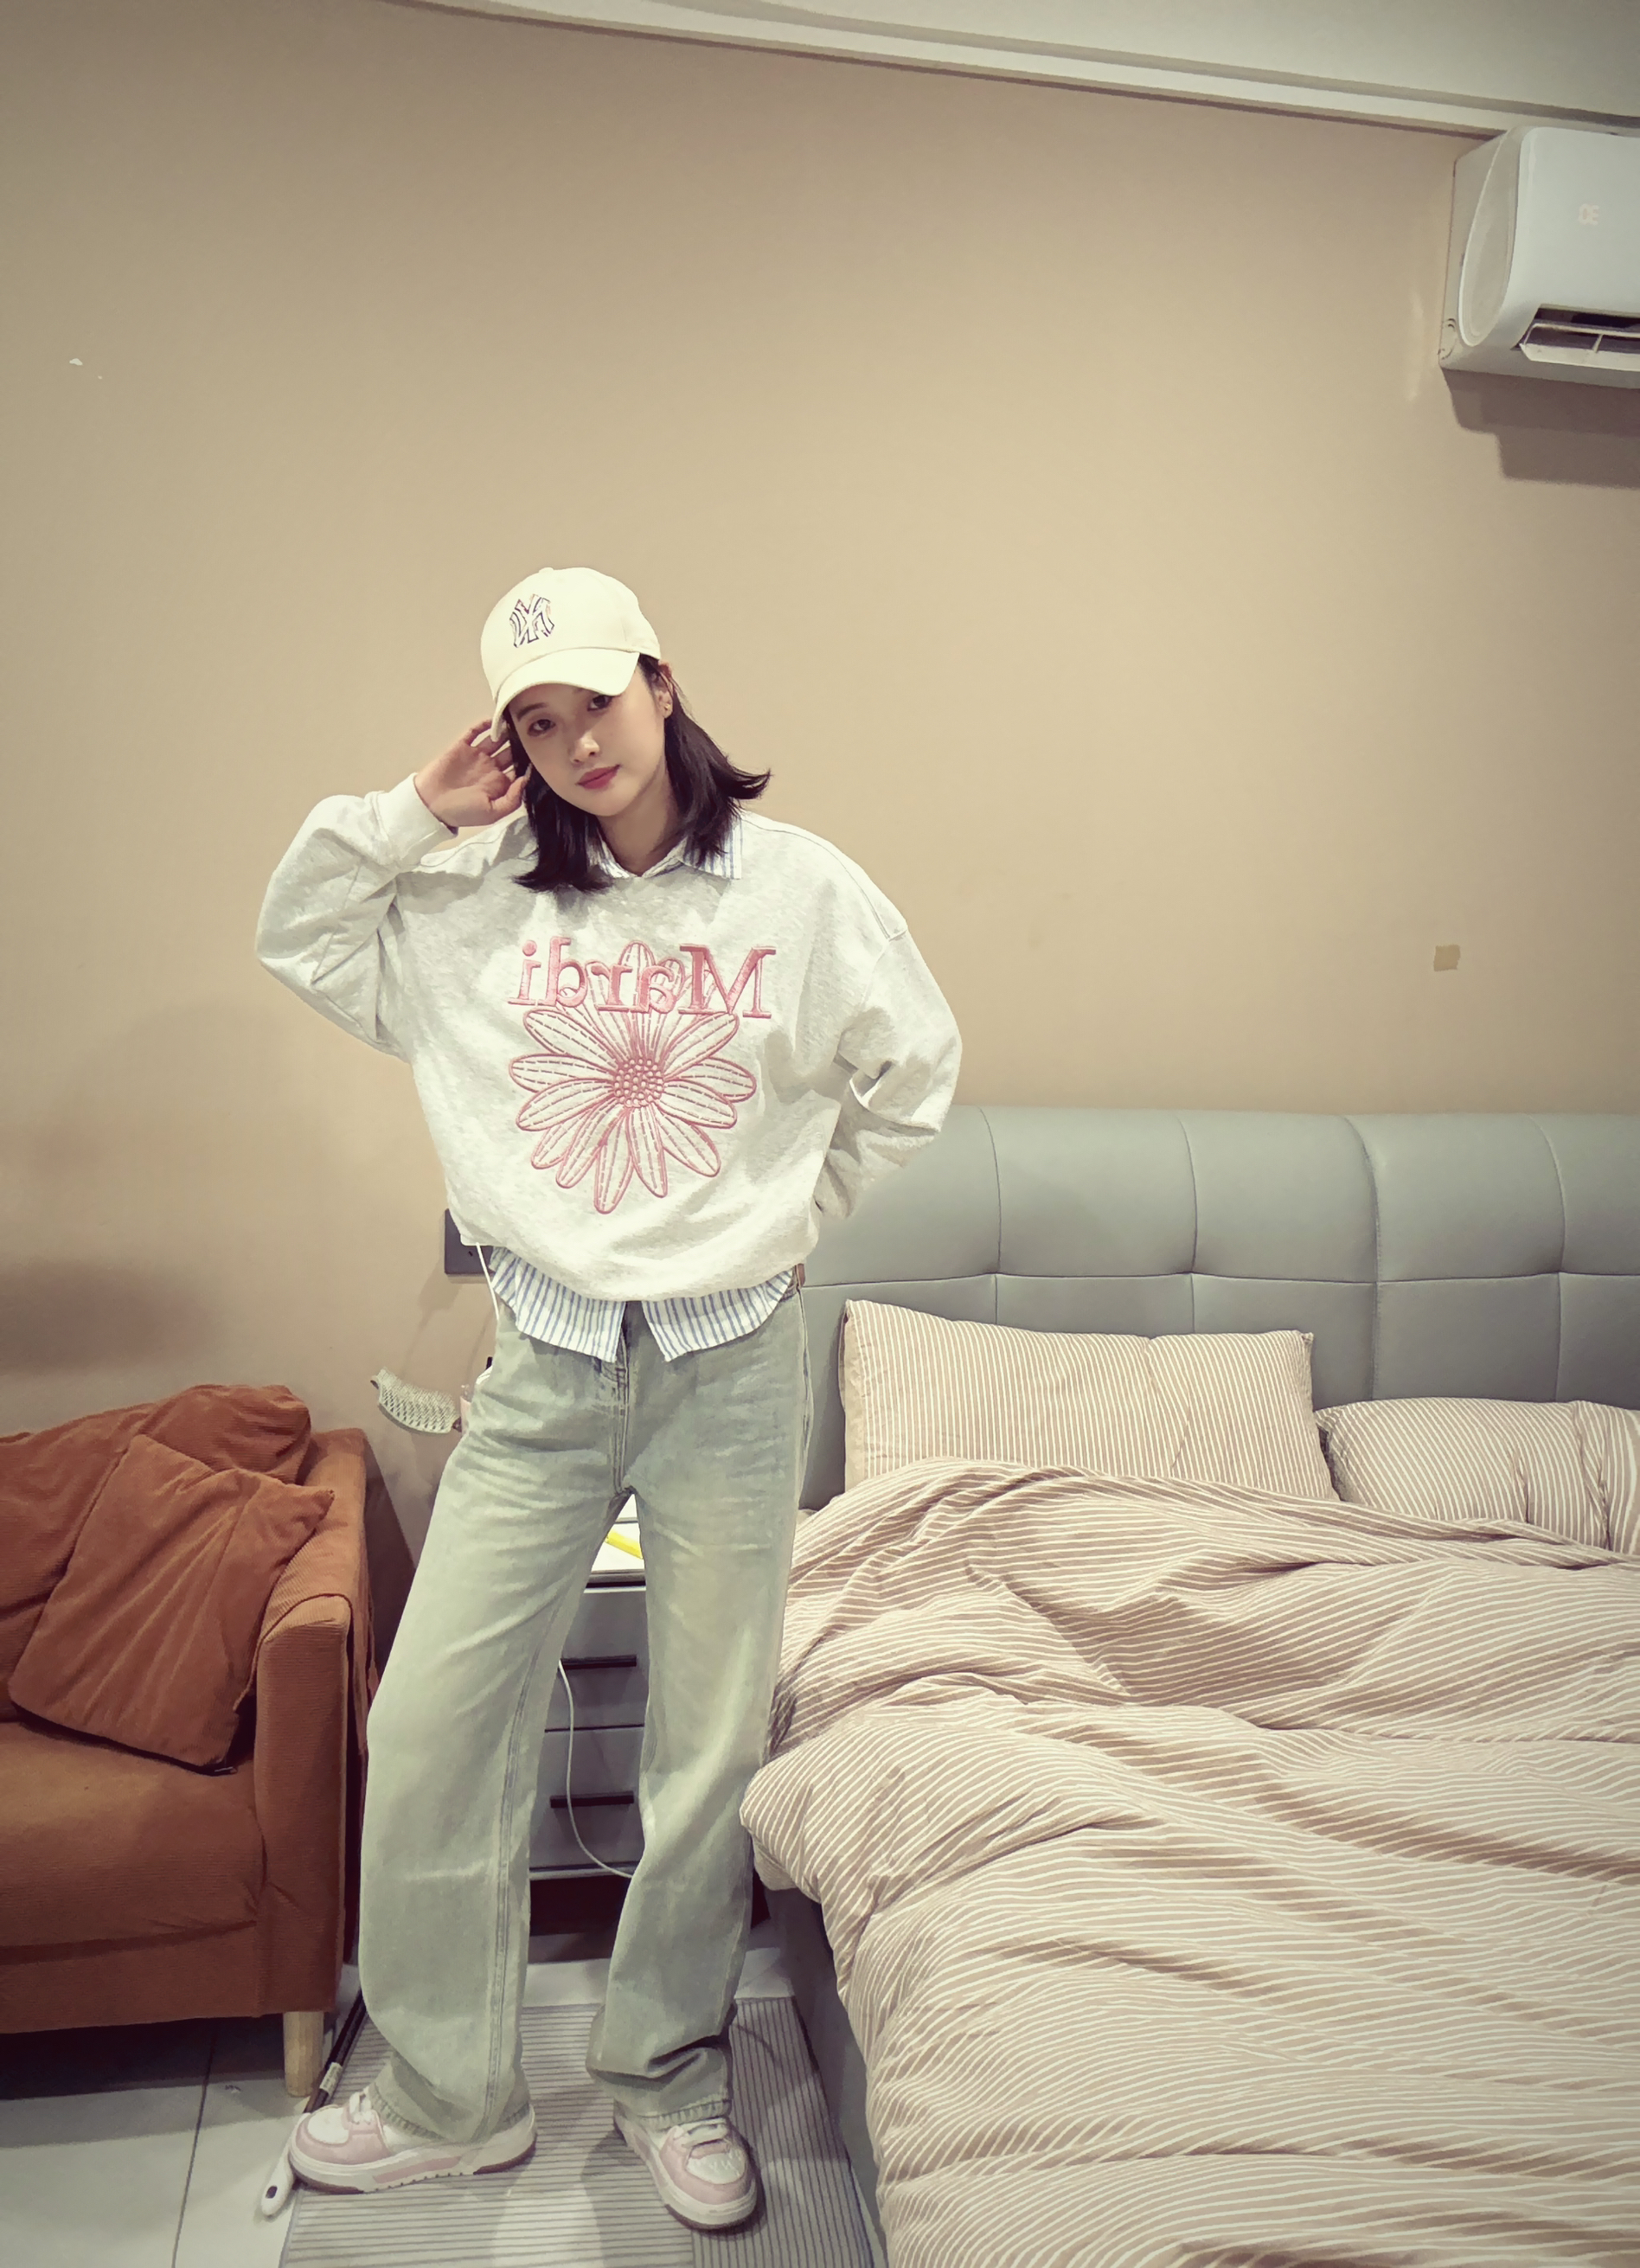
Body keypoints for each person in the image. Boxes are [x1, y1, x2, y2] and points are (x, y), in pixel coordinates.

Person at [254, 565, 961, 2228]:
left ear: (661, 680)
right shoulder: (471, 899)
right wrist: (415, 812)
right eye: (536, 720)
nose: (579, 741)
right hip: (544, 1365)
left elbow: (912, 1069)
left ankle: (668, 2075)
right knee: (430, 1725)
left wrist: (788, 1213)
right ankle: (449, 2092)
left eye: (596, 698)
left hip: (732, 1367)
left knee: (705, 1747)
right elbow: (300, 930)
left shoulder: (799, 888)